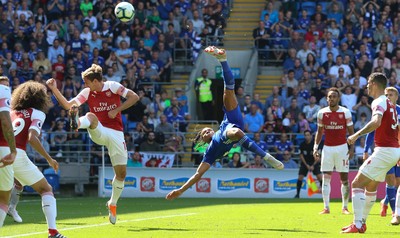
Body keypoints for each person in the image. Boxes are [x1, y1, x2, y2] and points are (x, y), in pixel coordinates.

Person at [165, 46, 283, 200]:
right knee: (235, 132)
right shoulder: (210, 153)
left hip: (232, 120)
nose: (207, 131)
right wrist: (180, 190)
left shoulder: (219, 128)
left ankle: (223, 60)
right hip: (231, 132)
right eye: (204, 133)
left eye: (207, 129)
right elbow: (197, 175)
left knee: (229, 91)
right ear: (204, 140)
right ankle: (267, 157)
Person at [46, 64, 139, 225]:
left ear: (96, 81)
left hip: (116, 133)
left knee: (121, 174)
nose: (85, 85)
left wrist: (117, 109)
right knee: (90, 116)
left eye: (87, 82)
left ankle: (113, 203)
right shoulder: (88, 92)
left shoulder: (113, 86)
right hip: (99, 130)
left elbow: (134, 97)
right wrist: (54, 89)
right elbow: (69, 105)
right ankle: (76, 123)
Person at [2, 81, 65, 238]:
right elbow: (32, 138)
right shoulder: (37, 113)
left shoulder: (10, 112)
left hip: (3, 152)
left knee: (3, 198)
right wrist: (49, 159)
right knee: (46, 189)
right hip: (16, 154)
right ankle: (53, 232)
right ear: (39, 98)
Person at [342, 73, 400, 233]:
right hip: (393, 151)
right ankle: (362, 223)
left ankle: (357, 224)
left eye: (368, 82)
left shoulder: (379, 101)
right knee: (371, 186)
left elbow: (376, 122)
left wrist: (355, 135)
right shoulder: (391, 104)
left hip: (385, 151)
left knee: (356, 184)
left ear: (374, 83)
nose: (366, 86)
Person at [314, 87, 354, 215]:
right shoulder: (321, 113)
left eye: (334, 96)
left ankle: (345, 207)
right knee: (326, 178)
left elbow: (351, 133)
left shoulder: (345, 112)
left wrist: (351, 148)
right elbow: (319, 132)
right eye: (329, 96)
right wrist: (315, 147)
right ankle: (326, 207)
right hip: (327, 149)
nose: (331, 99)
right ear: (327, 98)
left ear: (338, 98)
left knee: (344, 178)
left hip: (342, 148)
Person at [362, 87, 400, 221]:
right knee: (390, 179)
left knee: (398, 183)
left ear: (397, 96)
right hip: (385, 150)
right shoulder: (382, 108)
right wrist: (366, 149)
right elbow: (372, 130)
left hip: (397, 150)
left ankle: (384, 201)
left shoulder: (399, 110)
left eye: (391, 94)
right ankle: (395, 213)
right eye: (386, 95)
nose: (388, 97)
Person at [0, 76, 17, 228]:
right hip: (2, 147)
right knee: (4, 196)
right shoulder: (3, 92)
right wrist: (13, 150)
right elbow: (6, 122)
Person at [295, 130, 322, 198]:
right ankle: (297, 194)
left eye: (308, 135)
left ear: (311, 136)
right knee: (300, 177)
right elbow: (301, 155)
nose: (307, 136)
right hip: (305, 163)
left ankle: (324, 194)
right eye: (305, 135)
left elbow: (318, 156)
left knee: (320, 177)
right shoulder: (302, 144)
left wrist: (313, 165)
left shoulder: (315, 145)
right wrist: (306, 165)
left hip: (314, 163)